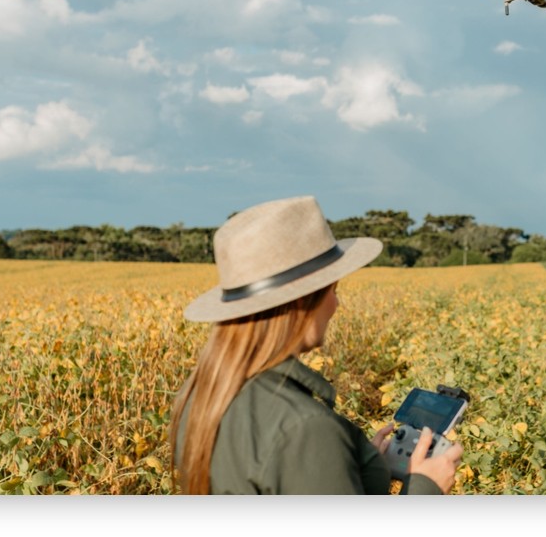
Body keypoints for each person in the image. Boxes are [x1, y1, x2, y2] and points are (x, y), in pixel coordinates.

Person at [170, 195, 463, 494]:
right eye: (333, 290)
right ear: (302, 300)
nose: (336, 303)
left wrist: (355, 467)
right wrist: (425, 487)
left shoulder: (199, 395)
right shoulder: (305, 428)